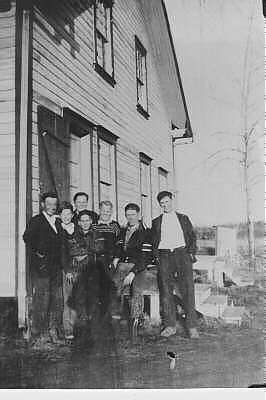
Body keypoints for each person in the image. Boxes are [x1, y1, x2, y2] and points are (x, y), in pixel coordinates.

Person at [151, 191, 199, 339]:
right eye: (162, 203)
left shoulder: (183, 218)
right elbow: (154, 242)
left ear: (172, 200)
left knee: (188, 289)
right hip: (165, 255)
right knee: (166, 290)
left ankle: (192, 326)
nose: (165, 205)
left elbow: (192, 237)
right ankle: (170, 326)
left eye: (167, 201)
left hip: (182, 254)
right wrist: (157, 257)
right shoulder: (156, 221)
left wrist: (190, 253)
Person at [23, 192, 64, 347]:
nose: (52, 207)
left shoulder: (58, 222)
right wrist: (39, 252)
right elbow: (27, 237)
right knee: (42, 300)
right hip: (41, 268)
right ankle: (38, 335)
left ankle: (53, 332)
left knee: (56, 301)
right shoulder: (37, 221)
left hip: (55, 268)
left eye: (54, 204)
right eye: (49, 204)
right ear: (42, 205)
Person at [64, 209, 104, 344]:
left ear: (91, 221)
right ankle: (78, 331)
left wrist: (83, 251)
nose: (85, 223)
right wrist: (86, 251)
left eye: (88, 220)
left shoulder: (97, 234)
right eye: (82, 221)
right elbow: (71, 251)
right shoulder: (73, 234)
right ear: (79, 222)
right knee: (78, 301)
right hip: (77, 271)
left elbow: (98, 248)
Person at [111, 203, 153, 327]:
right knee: (114, 287)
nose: (130, 217)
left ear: (138, 215)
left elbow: (145, 257)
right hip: (123, 265)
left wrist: (133, 273)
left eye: (133, 214)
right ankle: (113, 317)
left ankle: (136, 319)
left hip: (138, 266)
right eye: (128, 215)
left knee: (136, 288)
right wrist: (116, 258)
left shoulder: (146, 233)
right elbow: (119, 247)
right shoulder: (123, 231)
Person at [92, 200, 121, 317]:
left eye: (108, 211)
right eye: (104, 211)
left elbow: (119, 244)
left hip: (111, 260)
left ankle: (111, 313)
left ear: (111, 212)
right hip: (96, 259)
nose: (106, 213)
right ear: (99, 210)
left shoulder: (115, 225)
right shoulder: (94, 225)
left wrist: (116, 259)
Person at [57, 201, 77, 340]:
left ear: (72, 214)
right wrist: (68, 269)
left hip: (80, 267)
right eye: (64, 214)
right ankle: (68, 330)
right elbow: (62, 252)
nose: (66, 216)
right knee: (68, 299)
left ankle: (78, 327)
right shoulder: (58, 228)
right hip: (67, 268)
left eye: (69, 213)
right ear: (60, 215)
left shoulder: (77, 227)